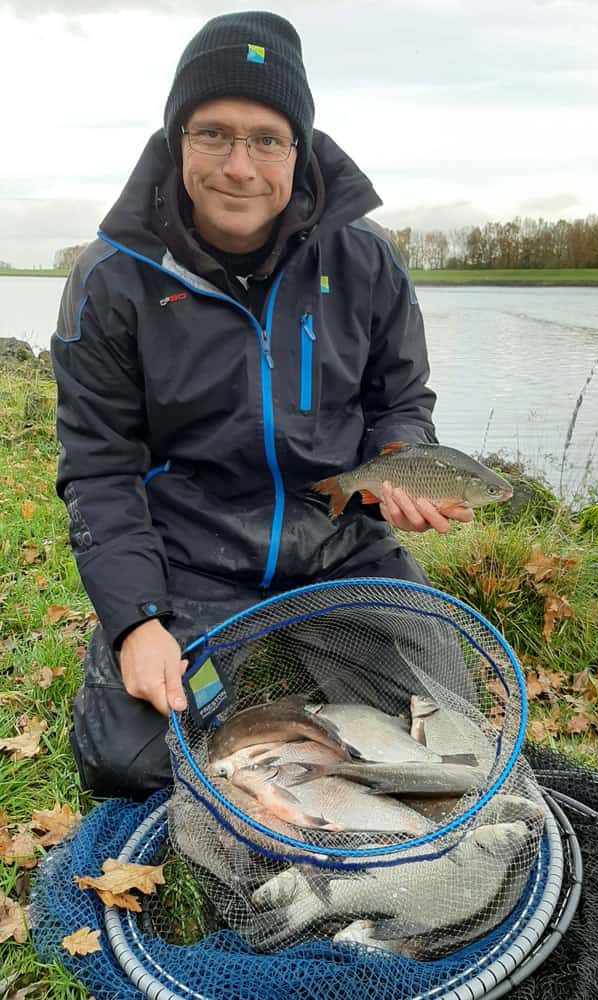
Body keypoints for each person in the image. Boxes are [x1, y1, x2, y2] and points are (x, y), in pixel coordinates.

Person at [51, 10, 472, 800]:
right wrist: (136, 619)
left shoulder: (365, 258)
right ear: (178, 139)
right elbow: (99, 468)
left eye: (266, 139)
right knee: (130, 766)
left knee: (442, 739)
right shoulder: (112, 279)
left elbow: (401, 400)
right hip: (190, 559)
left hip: (342, 546)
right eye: (212, 134)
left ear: (298, 151)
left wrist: (400, 464)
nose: (238, 166)